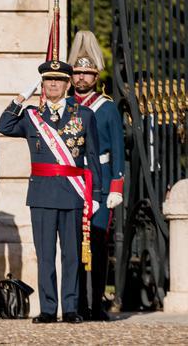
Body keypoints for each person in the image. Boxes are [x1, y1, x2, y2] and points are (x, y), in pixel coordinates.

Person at [0, 59, 102, 324]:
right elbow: (4, 126)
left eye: (58, 80)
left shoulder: (84, 115)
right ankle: (47, 308)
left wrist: (97, 194)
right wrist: (21, 98)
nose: (53, 84)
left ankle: (70, 308)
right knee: (45, 255)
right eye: (48, 80)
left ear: (68, 84)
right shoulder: (33, 116)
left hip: (72, 193)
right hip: (42, 194)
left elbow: (92, 155)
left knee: (71, 255)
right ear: (42, 84)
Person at [69, 31, 125, 321]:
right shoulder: (65, 106)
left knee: (99, 243)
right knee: (74, 243)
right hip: (73, 182)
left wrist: (116, 185)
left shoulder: (106, 107)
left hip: (101, 182)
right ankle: (77, 302)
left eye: (86, 74)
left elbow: (117, 148)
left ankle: (98, 301)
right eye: (76, 73)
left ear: (96, 76)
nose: (80, 79)